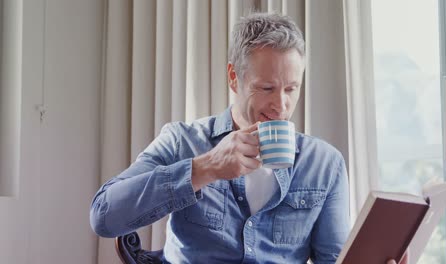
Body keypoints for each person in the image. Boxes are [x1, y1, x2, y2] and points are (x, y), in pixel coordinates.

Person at [90, 12, 407, 264]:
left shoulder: (324, 163)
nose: (280, 105)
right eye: (266, 88)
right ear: (233, 77)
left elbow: (332, 259)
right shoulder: (182, 141)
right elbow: (104, 216)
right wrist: (204, 168)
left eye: (291, 88)